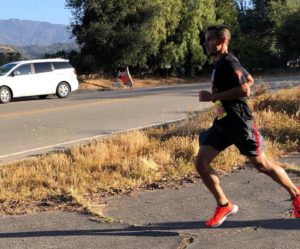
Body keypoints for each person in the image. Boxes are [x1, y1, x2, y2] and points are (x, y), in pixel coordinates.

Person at [196, 24, 300, 228]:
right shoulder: (220, 63)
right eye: (206, 39)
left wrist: (213, 97)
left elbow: (245, 89)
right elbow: (249, 79)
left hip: (240, 123)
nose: (206, 43)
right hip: (222, 123)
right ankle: (224, 204)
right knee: (201, 163)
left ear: (222, 41)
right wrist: (220, 101)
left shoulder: (229, 62)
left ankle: (296, 195)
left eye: (210, 39)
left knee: (261, 164)